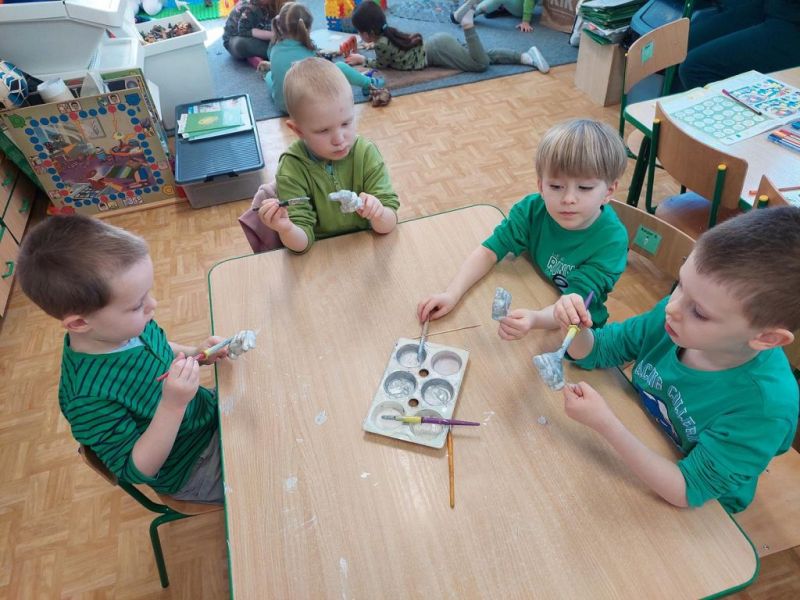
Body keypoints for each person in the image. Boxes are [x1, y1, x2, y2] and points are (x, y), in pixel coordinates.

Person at [557, 206, 800, 513]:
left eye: (699, 312)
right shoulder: (676, 316)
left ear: (766, 339)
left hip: (698, 506)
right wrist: (575, 328)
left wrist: (606, 424)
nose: (672, 307)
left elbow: (688, 489)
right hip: (643, 439)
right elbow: (600, 350)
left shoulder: (766, 408)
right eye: (680, 284)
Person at [16, 216, 229, 504]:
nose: (153, 305)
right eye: (138, 304)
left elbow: (159, 348)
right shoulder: (86, 398)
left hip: (206, 413)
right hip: (192, 465)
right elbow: (137, 469)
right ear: (79, 323)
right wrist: (173, 405)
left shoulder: (126, 327)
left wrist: (196, 353)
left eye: (147, 294)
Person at [417, 119, 629, 336]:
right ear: (541, 186)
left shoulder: (612, 242)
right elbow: (489, 251)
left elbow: (574, 307)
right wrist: (451, 294)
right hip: (537, 291)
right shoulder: (532, 210)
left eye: (584, 188)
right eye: (556, 186)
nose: (568, 199)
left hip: (577, 330)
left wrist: (535, 319)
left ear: (609, 191)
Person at [255, 57, 400, 253]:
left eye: (346, 123)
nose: (339, 139)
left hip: (367, 245)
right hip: (321, 253)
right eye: (323, 130)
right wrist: (286, 229)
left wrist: (379, 213)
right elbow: (302, 244)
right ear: (298, 131)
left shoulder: (366, 153)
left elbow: (389, 223)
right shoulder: (291, 168)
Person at [345, 0, 550, 74]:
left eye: (360, 32)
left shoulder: (381, 44)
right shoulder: (387, 33)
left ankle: (467, 24)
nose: (360, 36)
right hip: (438, 44)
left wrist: (363, 60)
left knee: (480, 65)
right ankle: (525, 57)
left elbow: (382, 65)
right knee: (482, 56)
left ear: (368, 32)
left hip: (438, 51)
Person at [266, 2, 386, 116]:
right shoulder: (310, 53)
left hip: (283, 107)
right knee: (339, 67)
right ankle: (369, 83)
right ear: (306, 29)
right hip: (308, 108)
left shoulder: (274, 49)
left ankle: (273, 83)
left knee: (270, 75)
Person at [678, 0, 800, 90]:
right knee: (679, 45)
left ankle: (736, 115)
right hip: (771, 6)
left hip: (792, 20)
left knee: (694, 68)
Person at [222, 0, 285, 69]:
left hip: (255, 31)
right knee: (240, 44)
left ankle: (254, 54)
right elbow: (244, 31)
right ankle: (278, 54)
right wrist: (273, 35)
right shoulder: (250, 8)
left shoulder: (268, 5)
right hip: (236, 38)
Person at [451, 0, 538, 33]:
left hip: (521, 7)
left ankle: (470, 14)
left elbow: (529, 1)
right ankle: (498, 9)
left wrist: (526, 21)